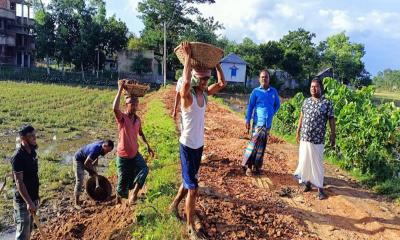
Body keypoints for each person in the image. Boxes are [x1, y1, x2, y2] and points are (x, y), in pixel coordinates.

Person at [169, 42, 226, 240]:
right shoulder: (189, 95)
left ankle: (174, 205)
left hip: (198, 146)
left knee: (188, 181)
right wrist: (187, 59)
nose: (204, 82)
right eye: (201, 79)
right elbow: (184, 84)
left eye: (206, 79)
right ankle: (190, 226)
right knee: (193, 188)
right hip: (186, 145)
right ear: (195, 78)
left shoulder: (205, 95)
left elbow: (222, 84)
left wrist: (217, 64)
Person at [113, 80, 155, 205]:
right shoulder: (122, 118)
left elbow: (140, 133)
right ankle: (118, 202)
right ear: (127, 104)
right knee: (122, 184)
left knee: (144, 170)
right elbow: (114, 108)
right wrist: (120, 89)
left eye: (137, 104)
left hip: (134, 154)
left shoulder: (137, 120)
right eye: (133, 104)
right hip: (123, 157)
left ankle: (134, 196)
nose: (135, 107)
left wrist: (147, 145)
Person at [294, 78, 336, 200]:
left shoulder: (326, 103)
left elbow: (331, 119)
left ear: (321, 88)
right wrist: (298, 130)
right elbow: (302, 116)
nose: (313, 88)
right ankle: (307, 183)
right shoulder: (306, 101)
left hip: (317, 139)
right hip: (305, 138)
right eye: (312, 86)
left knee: (317, 163)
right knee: (305, 161)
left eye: (316, 86)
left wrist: (333, 135)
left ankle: (320, 188)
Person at [242, 70, 280, 176]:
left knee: (262, 146)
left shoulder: (273, 92)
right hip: (257, 123)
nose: (264, 79)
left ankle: (257, 166)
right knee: (253, 145)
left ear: (269, 79)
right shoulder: (255, 92)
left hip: (267, 125)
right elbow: (250, 106)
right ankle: (249, 167)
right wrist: (247, 120)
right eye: (262, 77)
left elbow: (277, 105)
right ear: (259, 79)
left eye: (266, 77)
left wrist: (272, 113)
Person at [11, 125, 39, 240]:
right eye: (30, 136)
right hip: (23, 203)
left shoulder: (32, 151)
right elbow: (19, 182)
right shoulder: (18, 157)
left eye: (34, 135)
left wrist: (35, 199)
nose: (34, 138)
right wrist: (28, 202)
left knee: (29, 231)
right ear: (23, 138)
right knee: (23, 235)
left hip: (33, 198)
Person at [73, 140, 114, 206]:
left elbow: (96, 154)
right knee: (79, 180)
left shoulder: (102, 144)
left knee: (94, 172)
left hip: (87, 158)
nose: (107, 153)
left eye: (108, 152)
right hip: (79, 160)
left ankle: (95, 187)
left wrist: (95, 162)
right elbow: (86, 164)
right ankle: (76, 203)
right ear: (105, 146)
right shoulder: (95, 150)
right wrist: (92, 172)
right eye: (107, 151)